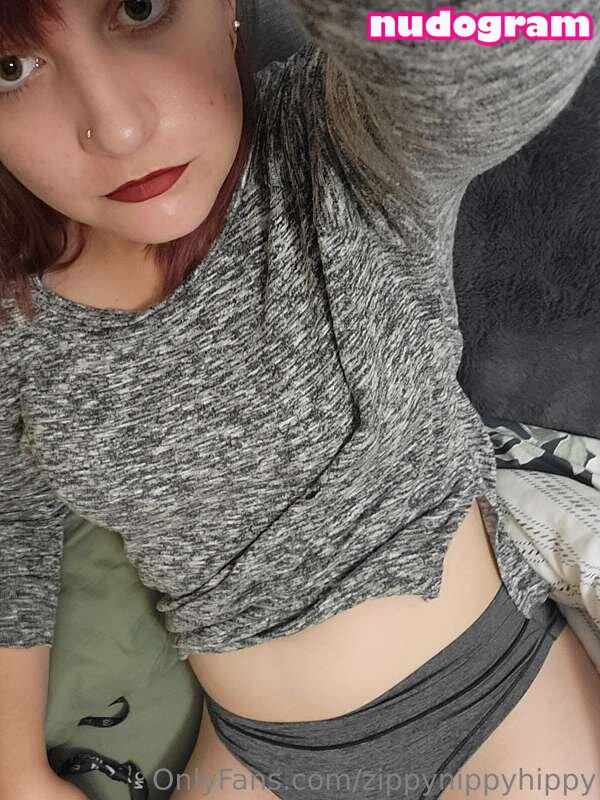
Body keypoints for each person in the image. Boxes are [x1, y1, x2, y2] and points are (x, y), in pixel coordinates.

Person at [0, 2, 599, 799]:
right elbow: (12, 534)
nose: (117, 130)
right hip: (256, 758)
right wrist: (14, 772)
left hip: (497, 705)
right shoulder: (15, 326)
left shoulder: (343, 140)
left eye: (140, 8)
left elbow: (537, 27)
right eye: (10, 67)